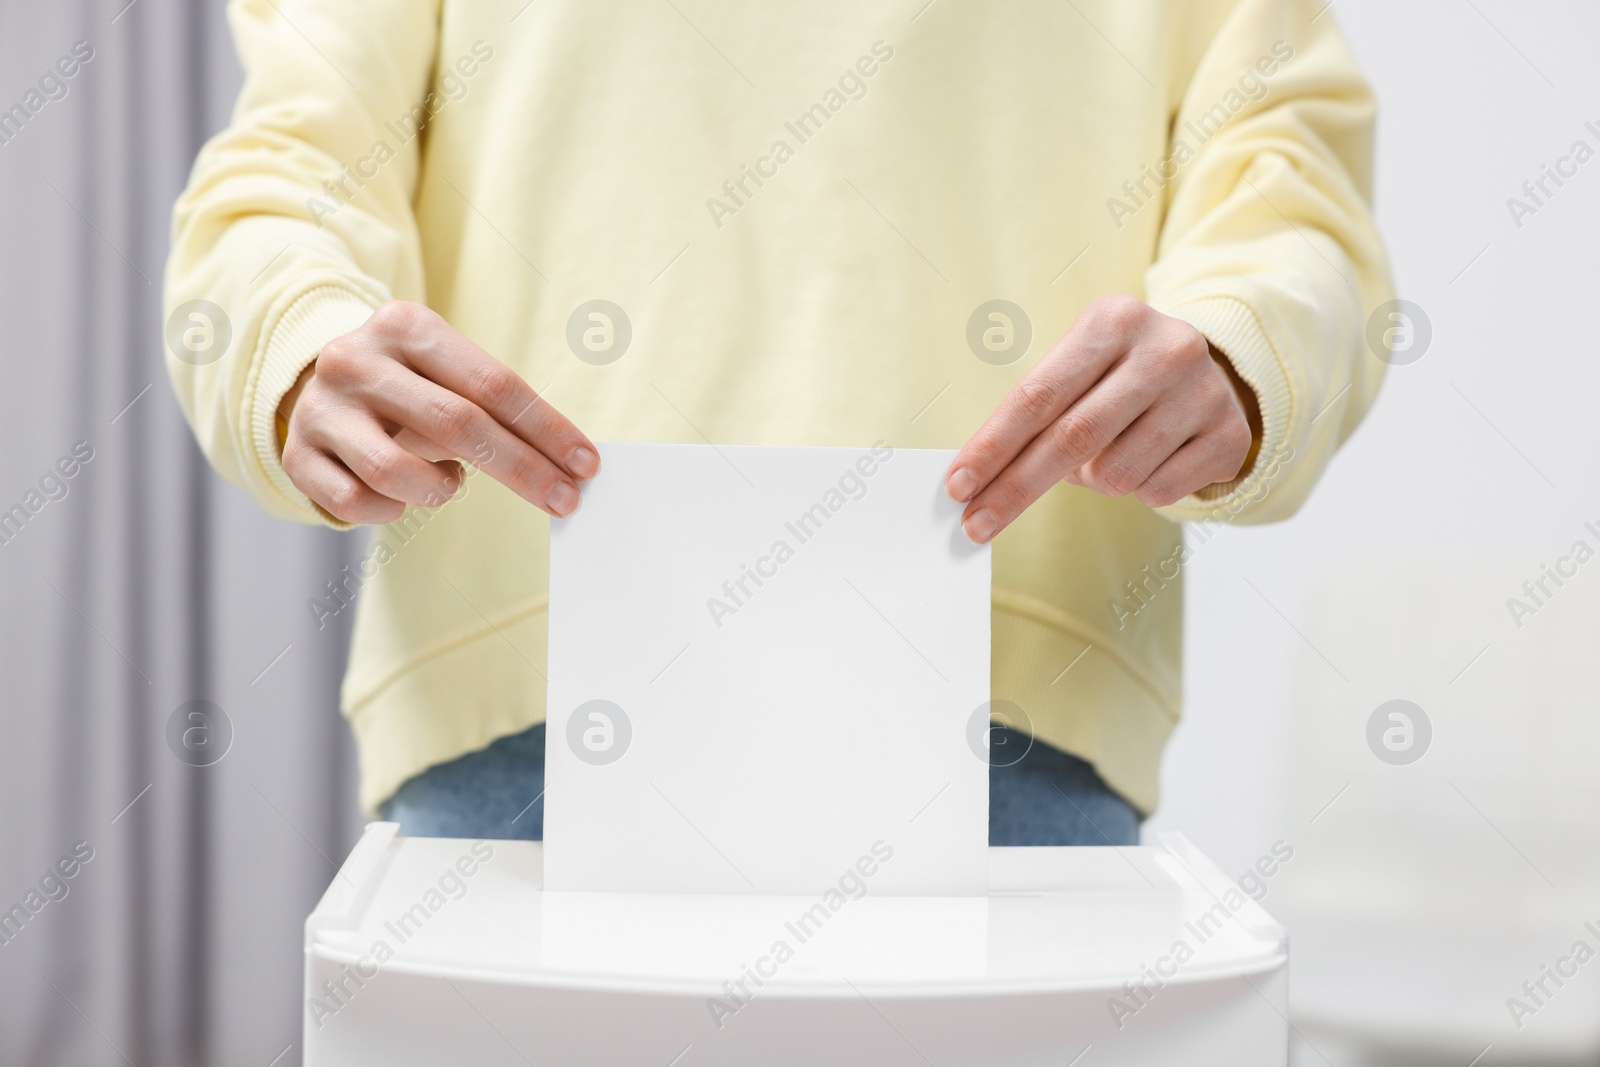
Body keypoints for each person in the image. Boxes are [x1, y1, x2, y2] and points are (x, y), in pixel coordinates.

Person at [165, 0, 1389, 847]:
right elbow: (288, 171)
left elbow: (1285, 185)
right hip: (524, 706)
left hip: (1004, 718)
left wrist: (1236, 349)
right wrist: (298, 337)